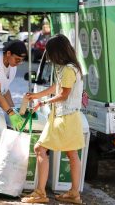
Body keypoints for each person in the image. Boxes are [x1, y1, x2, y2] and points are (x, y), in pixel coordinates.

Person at [21, 34, 85, 204]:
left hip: (63, 118)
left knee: (40, 149)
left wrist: (42, 101)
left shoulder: (67, 69)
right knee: (72, 155)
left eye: (49, 52)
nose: (48, 56)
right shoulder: (72, 68)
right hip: (71, 117)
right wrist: (37, 96)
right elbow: (57, 87)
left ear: (57, 52)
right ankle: (74, 193)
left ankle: (40, 193)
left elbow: (63, 94)